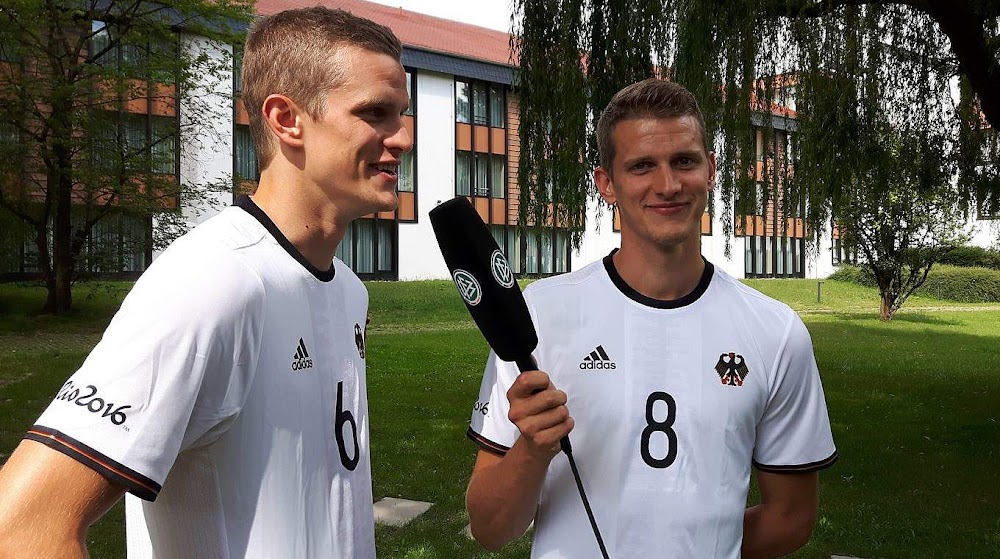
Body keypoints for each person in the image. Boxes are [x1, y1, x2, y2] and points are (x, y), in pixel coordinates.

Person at [0, 7, 411, 558]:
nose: (403, 138)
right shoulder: (213, 280)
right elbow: (22, 526)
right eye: (376, 113)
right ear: (286, 119)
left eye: (402, 114)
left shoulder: (349, 290)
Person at [464, 78, 837, 558]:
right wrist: (532, 451)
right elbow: (490, 528)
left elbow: (791, 518)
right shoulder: (537, 316)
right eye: (642, 166)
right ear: (607, 184)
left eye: (684, 161)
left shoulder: (777, 333)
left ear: (710, 170)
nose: (667, 185)